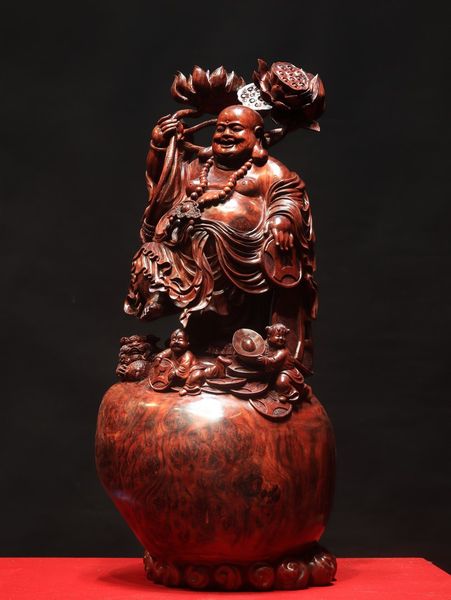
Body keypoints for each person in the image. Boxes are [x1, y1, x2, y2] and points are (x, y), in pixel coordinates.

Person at [125, 105, 317, 369]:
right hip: (186, 249)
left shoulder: (267, 170)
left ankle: (234, 344)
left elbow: (289, 194)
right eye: (220, 128)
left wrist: (282, 219)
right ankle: (163, 293)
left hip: (243, 254)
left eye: (235, 129)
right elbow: (164, 183)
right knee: (150, 252)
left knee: (210, 238)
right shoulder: (198, 166)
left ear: (256, 134)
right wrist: (159, 145)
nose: (226, 134)